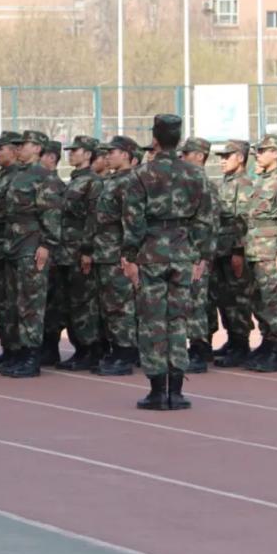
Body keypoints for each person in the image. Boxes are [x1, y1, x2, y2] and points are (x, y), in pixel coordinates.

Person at [123, 114, 212, 411]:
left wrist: (129, 255)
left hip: (151, 253)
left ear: (155, 139)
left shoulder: (141, 174)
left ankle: (158, 390)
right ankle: (176, 390)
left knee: (152, 321)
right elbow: (205, 218)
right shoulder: (195, 174)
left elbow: (133, 220)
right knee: (178, 320)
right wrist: (201, 254)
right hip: (183, 252)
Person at [1, 130, 61, 378]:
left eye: (23, 144)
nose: (19, 148)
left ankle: (31, 356)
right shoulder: (19, 174)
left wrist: (46, 244)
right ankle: (19, 352)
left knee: (31, 304)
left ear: (37, 148)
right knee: (14, 303)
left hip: (32, 246)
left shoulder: (43, 176)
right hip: (14, 245)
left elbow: (51, 213)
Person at [241, 135, 277, 372]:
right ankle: (266, 342)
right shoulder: (259, 182)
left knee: (271, 299)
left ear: (276, 153)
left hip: (271, 250)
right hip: (254, 249)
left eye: (263, 150)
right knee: (258, 299)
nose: (258, 154)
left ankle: (274, 347)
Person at [86, 135, 141, 376]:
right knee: (109, 306)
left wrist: (128, 254)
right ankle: (117, 349)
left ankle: (125, 353)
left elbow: (131, 221)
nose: (107, 156)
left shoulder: (129, 182)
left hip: (118, 253)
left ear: (126, 155)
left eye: (112, 152)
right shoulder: (111, 180)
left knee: (121, 306)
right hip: (104, 252)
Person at [57, 135, 103, 371]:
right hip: (67, 251)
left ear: (88, 154)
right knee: (71, 303)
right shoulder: (74, 181)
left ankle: (90, 350)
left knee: (84, 303)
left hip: (79, 251)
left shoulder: (93, 182)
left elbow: (93, 219)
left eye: (76, 150)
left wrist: (87, 250)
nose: (71, 154)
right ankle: (80, 349)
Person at [210, 141, 254, 367]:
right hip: (220, 249)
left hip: (234, 251)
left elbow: (244, 221)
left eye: (228, 156)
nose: (222, 160)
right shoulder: (223, 184)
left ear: (241, 158)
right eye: (222, 156)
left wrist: (238, 251)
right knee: (224, 298)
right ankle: (232, 340)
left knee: (238, 298)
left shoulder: (245, 184)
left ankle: (241, 343)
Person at [178, 137, 218, 373]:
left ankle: (199, 349)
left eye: (186, 154)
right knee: (190, 301)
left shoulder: (203, 185)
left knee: (196, 302)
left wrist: (201, 257)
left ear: (200, 156)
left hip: (197, 254)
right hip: (187, 251)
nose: (181, 157)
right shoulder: (188, 182)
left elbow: (209, 225)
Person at [0, 132, 22, 372]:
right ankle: (9, 349)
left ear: (16, 151)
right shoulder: (4, 177)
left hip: (14, 249)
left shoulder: (19, 178)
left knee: (16, 304)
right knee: (3, 305)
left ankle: (20, 351)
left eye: (2, 148)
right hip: (0, 249)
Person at [39, 139, 68, 367]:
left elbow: (54, 223)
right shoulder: (42, 183)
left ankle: (50, 348)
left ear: (50, 158)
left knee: (52, 305)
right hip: (44, 252)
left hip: (53, 254)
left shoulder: (54, 185)